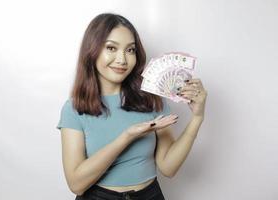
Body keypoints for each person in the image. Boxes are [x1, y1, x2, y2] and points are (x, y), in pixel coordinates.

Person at [56, 13, 207, 200]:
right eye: (111, 48)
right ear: (91, 51)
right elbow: (76, 184)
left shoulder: (151, 100)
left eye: (130, 50)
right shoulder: (74, 109)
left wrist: (197, 118)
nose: (122, 60)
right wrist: (127, 137)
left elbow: (168, 167)